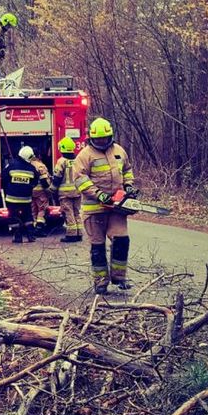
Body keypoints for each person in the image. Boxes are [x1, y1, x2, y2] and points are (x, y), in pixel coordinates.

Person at [73, 117, 138, 293]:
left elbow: (127, 170)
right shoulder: (85, 155)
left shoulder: (119, 151)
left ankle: (119, 277)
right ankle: (101, 282)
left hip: (116, 207)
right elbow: (80, 180)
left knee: (122, 240)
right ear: (91, 138)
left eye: (104, 138)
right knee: (98, 246)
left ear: (110, 136)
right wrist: (98, 195)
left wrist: (129, 185)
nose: (101, 142)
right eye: (98, 139)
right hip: (94, 209)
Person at [1, 145, 38, 243]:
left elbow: (4, 178)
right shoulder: (32, 168)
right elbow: (35, 181)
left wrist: (8, 188)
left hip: (12, 199)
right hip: (26, 199)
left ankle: (17, 237)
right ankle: (31, 236)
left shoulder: (11, 166)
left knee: (13, 217)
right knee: (28, 217)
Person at [51, 137, 83, 242]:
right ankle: (79, 233)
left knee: (68, 212)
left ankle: (71, 235)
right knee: (77, 212)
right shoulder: (77, 160)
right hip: (77, 191)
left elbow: (57, 177)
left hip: (65, 193)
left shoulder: (61, 161)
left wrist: (52, 190)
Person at [29, 149, 52, 236]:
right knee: (42, 209)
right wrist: (49, 191)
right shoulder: (40, 166)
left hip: (30, 191)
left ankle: (33, 228)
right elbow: (44, 181)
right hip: (40, 191)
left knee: (33, 209)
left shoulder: (28, 165)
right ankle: (39, 228)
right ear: (38, 155)